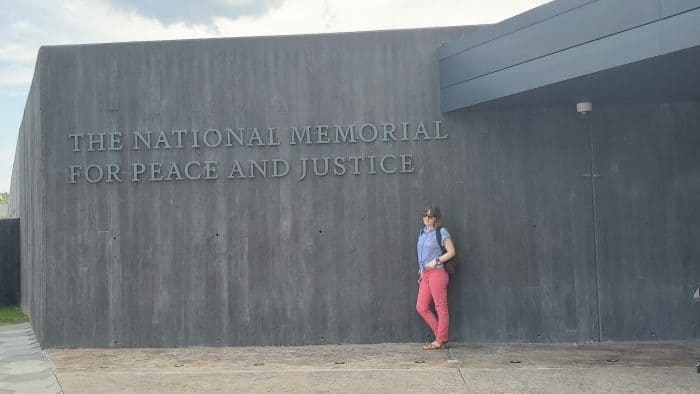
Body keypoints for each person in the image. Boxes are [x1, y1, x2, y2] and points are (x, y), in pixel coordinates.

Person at [416, 205, 456, 350]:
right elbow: (421, 255)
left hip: (438, 273)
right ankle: (441, 336)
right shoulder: (422, 233)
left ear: (436, 218)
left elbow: (451, 252)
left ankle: (440, 340)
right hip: (425, 274)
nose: (426, 218)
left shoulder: (441, 232)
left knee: (440, 307)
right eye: (424, 215)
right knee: (421, 307)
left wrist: (437, 261)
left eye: (430, 216)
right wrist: (421, 271)